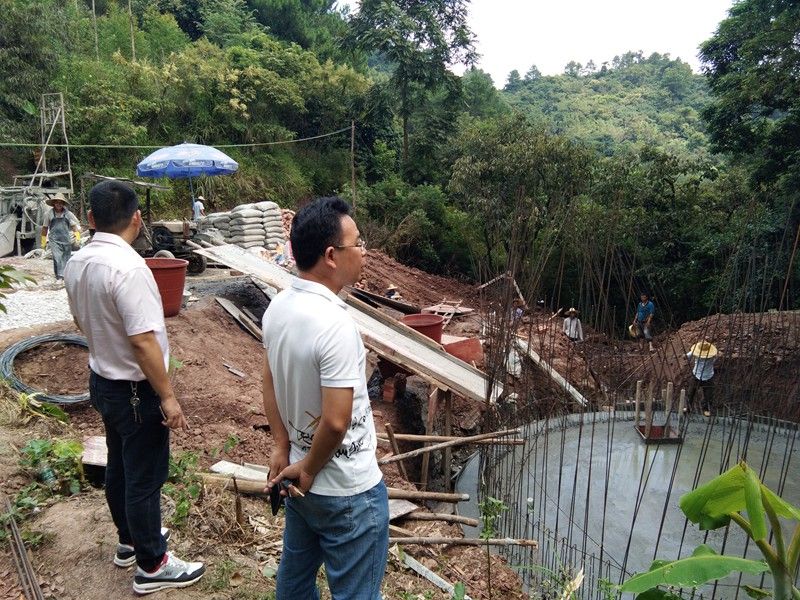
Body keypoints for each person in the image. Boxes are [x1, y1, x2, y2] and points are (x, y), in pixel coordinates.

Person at [63, 180, 205, 595]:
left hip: (103, 381)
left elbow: (79, 321)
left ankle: (129, 540)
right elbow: (144, 341)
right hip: (134, 390)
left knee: (121, 466)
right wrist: (168, 396)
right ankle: (153, 564)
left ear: (89, 219)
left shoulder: (78, 262)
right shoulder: (129, 269)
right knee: (145, 476)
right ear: (137, 218)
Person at [261, 196, 388, 600]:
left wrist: (283, 446)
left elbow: (270, 381)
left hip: (299, 479)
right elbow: (336, 421)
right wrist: (312, 468)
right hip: (346, 490)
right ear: (332, 256)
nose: (364, 252)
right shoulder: (335, 325)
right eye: (358, 243)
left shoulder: (278, 306)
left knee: (294, 584)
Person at [41, 193, 81, 280]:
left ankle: (60, 276)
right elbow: (44, 228)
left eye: (61, 202)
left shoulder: (68, 214)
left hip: (66, 240)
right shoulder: (49, 214)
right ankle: (60, 277)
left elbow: (74, 227)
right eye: (57, 202)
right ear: (54, 203)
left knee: (65, 259)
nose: (59, 204)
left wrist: (77, 238)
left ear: (63, 204)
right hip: (54, 240)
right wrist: (43, 242)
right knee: (57, 257)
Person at [686, 340, 719, 417]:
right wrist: (685, 356)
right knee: (691, 392)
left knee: (708, 395)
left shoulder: (712, 355)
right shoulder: (695, 352)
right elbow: (688, 355)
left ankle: (706, 409)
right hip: (696, 375)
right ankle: (688, 407)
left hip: (708, 376)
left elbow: (715, 359)